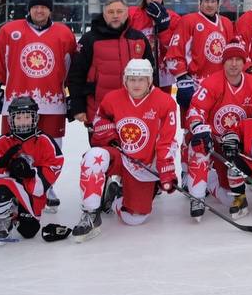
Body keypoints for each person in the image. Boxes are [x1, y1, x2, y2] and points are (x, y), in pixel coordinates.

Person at [0, 0, 77, 211]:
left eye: (44, 7)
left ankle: (46, 186)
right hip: (16, 103)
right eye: (36, 7)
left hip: (52, 103)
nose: (39, 11)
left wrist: (72, 94)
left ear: (50, 9)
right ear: (29, 8)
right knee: (13, 147)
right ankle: (14, 184)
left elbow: (71, 68)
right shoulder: (9, 30)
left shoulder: (64, 33)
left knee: (51, 148)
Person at [73, 58, 178, 242]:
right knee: (94, 156)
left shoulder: (165, 102)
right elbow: (99, 121)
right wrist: (109, 134)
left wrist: (166, 171)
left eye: (141, 79)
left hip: (143, 165)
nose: (136, 84)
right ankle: (90, 214)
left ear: (149, 81)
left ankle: (114, 197)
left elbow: (167, 141)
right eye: (132, 79)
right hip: (119, 156)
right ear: (125, 80)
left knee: (135, 218)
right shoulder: (112, 98)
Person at [184, 42, 252, 220]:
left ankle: (212, 182)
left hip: (235, 146)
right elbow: (195, 110)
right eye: (229, 60)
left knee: (229, 199)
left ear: (244, 63)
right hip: (213, 142)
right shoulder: (211, 83)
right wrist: (200, 130)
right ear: (223, 62)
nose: (234, 64)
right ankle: (197, 197)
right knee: (199, 145)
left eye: (238, 60)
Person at [66, 0, 153, 134]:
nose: (115, 15)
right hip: (99, 112)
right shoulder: (89, 40)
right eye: (111, 12)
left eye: (119, 11)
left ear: (126, 13)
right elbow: (76, 75)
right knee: (102, 154)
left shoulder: (139, 38)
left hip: (134, 113)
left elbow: (151, 75)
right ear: (104, 14)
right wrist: (77, 106)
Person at [0, 97, 64, 239]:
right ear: (11, 120)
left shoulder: (45, 141)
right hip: (10, 186)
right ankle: (5, 218)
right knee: (1, 186)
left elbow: (54, 165)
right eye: (18, 118)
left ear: (35, 118)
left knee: (29, 231)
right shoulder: (3, 141)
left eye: (27, 117)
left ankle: (18, 210)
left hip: (33, 192)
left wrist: (30, 173)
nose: (23, 121)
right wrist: (3, 163)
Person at [126, 0, 177, 90]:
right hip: (137, 70)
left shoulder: (172, 17)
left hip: (163, 73)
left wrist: (163, 28)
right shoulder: (132, 14)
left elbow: (174, 49)